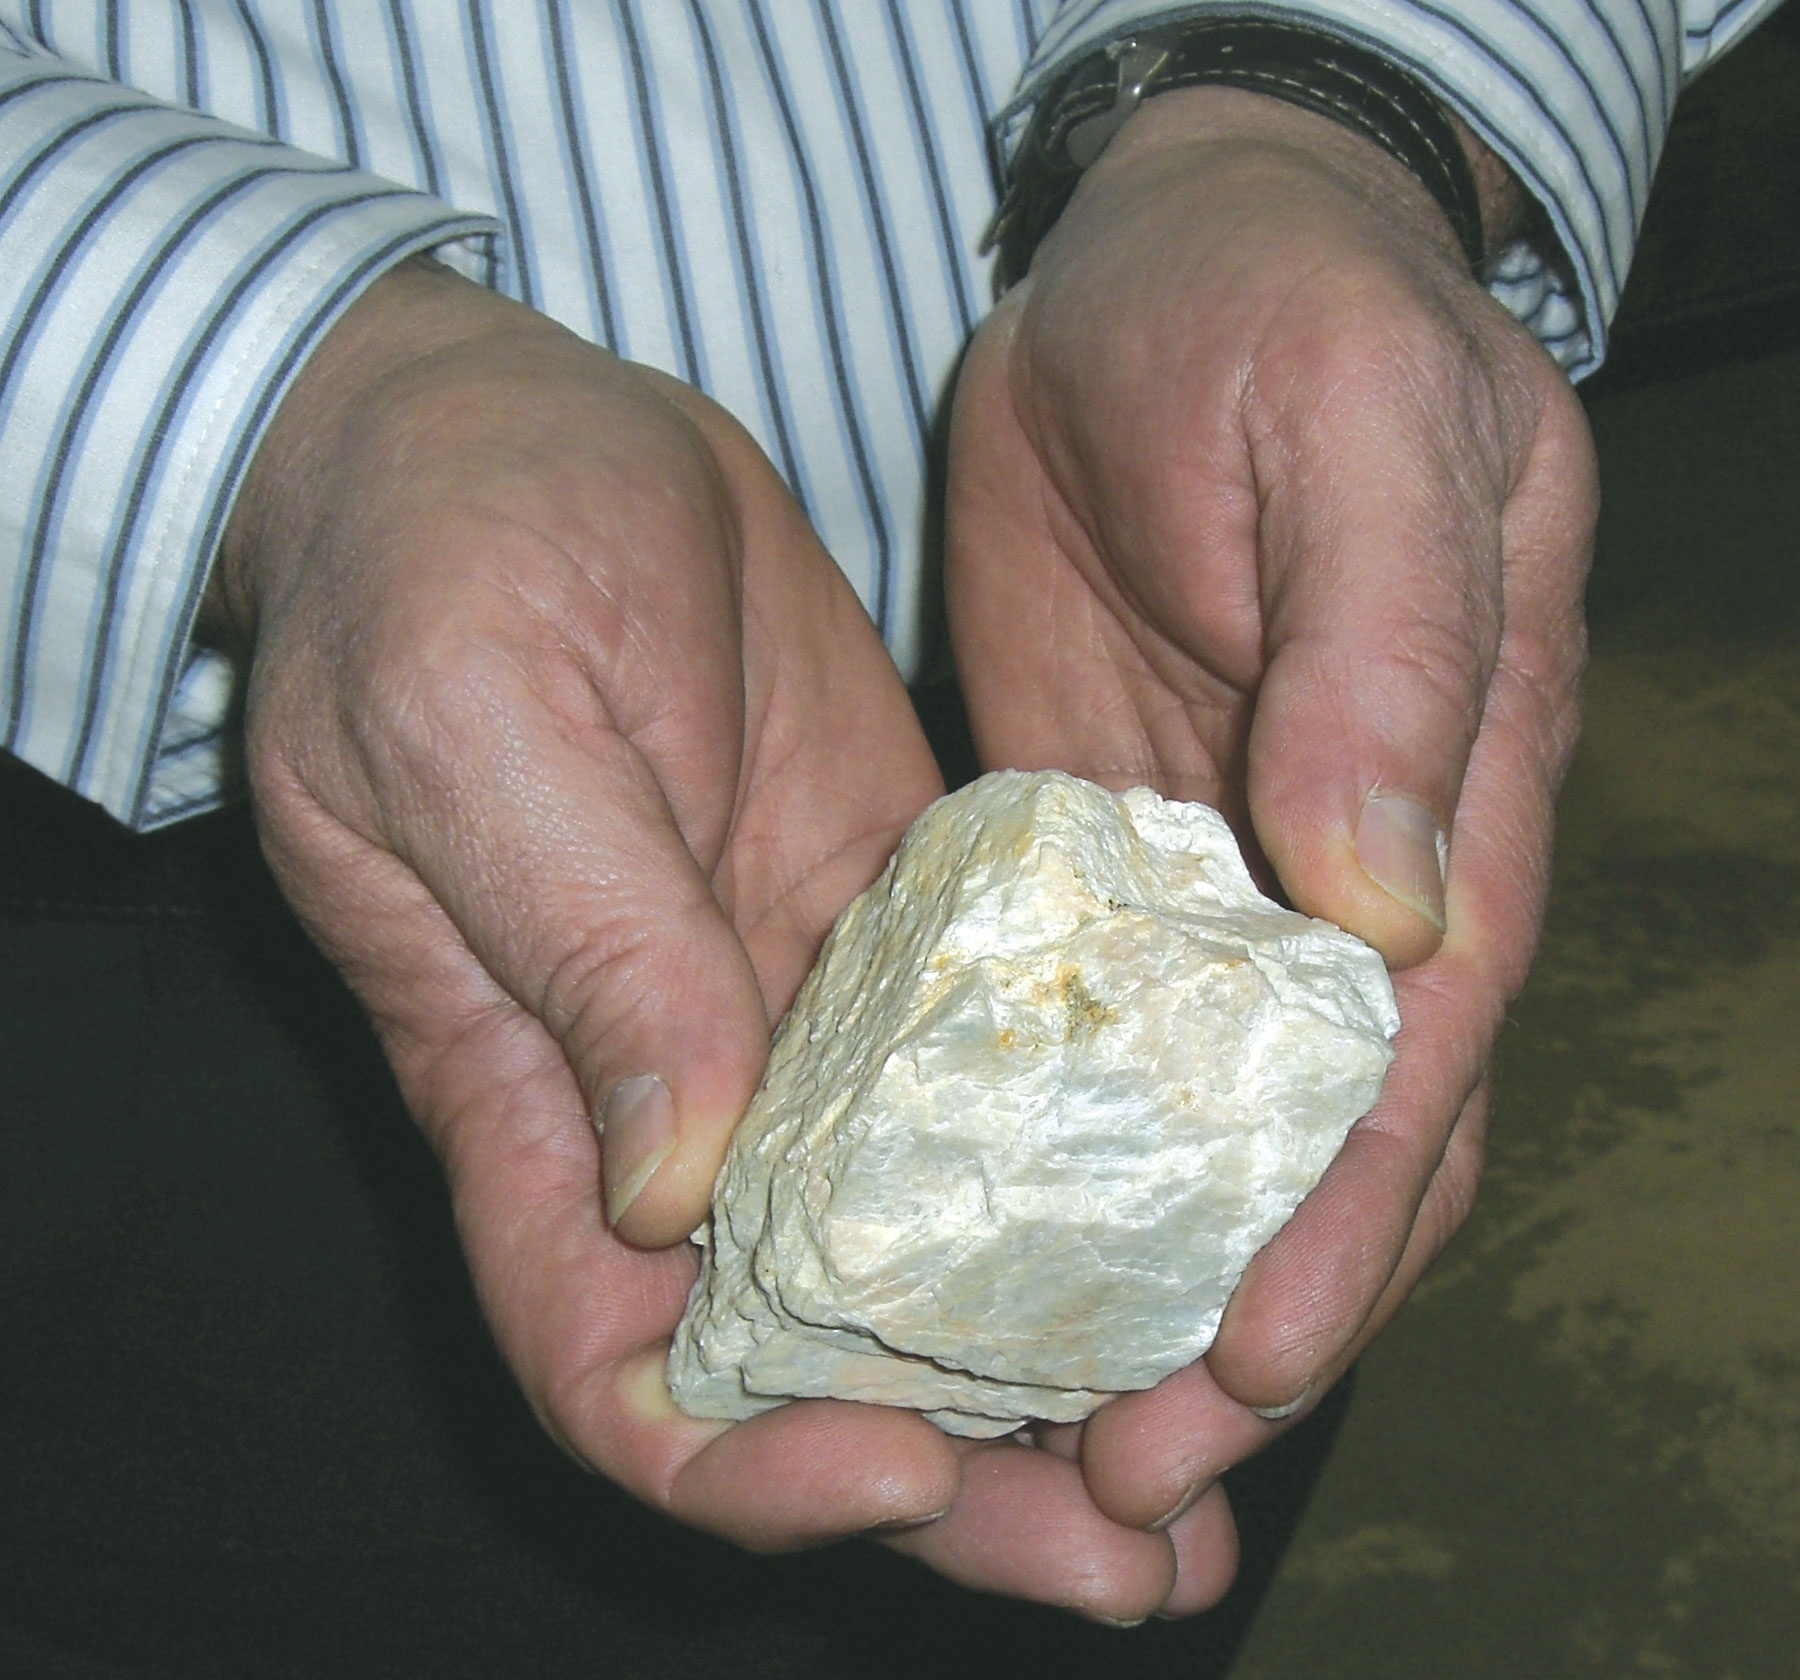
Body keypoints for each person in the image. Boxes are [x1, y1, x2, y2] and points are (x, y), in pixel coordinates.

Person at [0, 0, 1780, 1643]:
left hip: (1172, 639)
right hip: (204, 823)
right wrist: (296, 398)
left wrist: (1320, 107)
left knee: (1142, 1496)